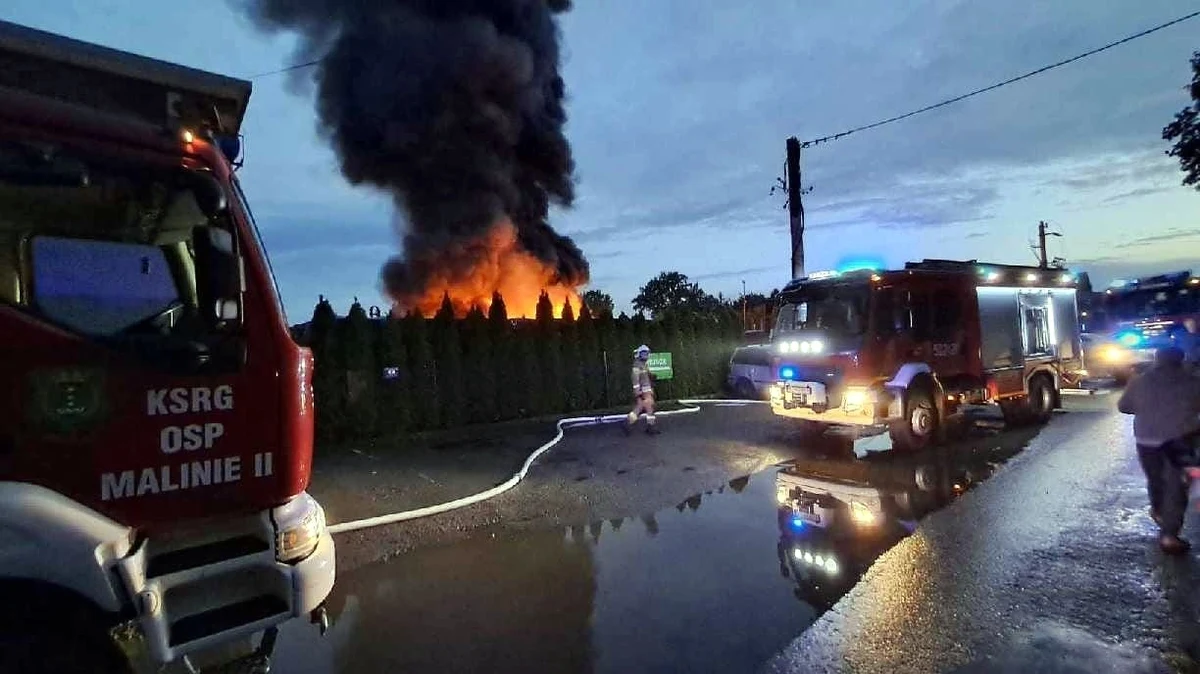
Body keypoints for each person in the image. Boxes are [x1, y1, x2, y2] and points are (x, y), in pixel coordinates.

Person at [1117, 345, 1200, 554]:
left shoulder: (1141, 380)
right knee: (1177, 485)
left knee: (1155, 479)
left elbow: (1124, 406)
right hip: (1180, 439)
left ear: (1157, 359)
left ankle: (1159, 510)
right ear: (1181, 360)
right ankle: (1170, 535)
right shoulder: (1192, 381)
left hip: (1146, 439)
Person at [624, 344, 660, 435]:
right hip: (643, 391)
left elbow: (647, 374)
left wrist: (651, 375)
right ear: (639, 354)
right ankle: (630, 423)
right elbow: (635, 379)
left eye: (647, 353)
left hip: (646, 390)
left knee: (644, 407)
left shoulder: (643, 364)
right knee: (646, 407)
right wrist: (638, 392)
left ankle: (630, 423)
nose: (646, 355)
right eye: (644, 353)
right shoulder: (637, 365)